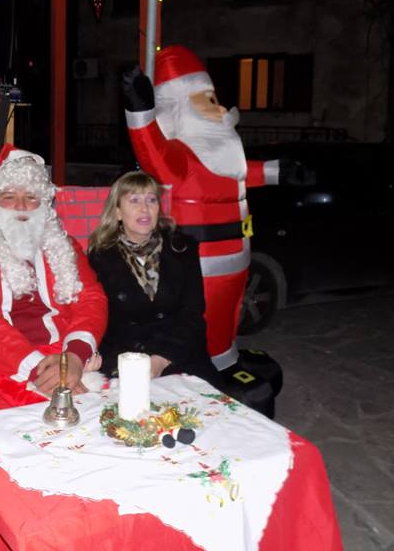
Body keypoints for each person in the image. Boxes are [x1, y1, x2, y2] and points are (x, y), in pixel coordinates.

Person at [122, 46, 308, 370]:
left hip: (238, 253)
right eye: (207, 100)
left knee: (228, 313)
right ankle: (195, 369)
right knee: (200, 317)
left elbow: (239, 172)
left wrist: (277, 171)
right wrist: (141, 113)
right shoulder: (180, 159)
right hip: (201, 260)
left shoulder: (219, 156)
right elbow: (151, 150)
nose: (220, 108)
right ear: (182, 108)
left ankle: (225, 361)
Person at [0, 146, 108, 417]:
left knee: (105, 421)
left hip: (64, 359)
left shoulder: (64, 246)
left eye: (31, 197)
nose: (22, 206)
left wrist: (75, 356)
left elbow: (91, 300)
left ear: (43, 204)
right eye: (9, 197)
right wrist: (40, 369)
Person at [87, 171, 223, 389]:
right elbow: (99, 317)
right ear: (118, 212)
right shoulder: (100, 256)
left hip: (178, 353)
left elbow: (193, 313)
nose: (145, 208)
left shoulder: (182, 248)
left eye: (151, 200)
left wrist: (162, 359)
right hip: (127, 357)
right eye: (134, 200)